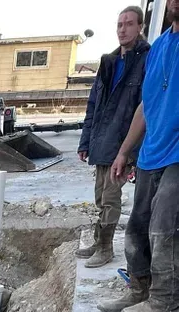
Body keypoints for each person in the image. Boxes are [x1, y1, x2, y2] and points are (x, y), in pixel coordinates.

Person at [98, 0, 179, 312]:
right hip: (151, 153)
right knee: (137, 226)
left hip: (176, 155)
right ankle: (139, 287)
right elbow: (146, 105)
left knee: (164, 227)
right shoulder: (160, 46)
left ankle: (165, 296)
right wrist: (124, 152)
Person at [77, 6, 150, 268]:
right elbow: (94, 104)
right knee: (100, 195)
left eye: (129, 24)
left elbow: (145, 108)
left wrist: (131, 151)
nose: (123, 29)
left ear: (139, 27)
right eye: (119, 24)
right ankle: (99, 241)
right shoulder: (109, 62)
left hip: (124, 141)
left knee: (110, 196)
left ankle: (106, 248)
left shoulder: (146, 60)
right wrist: (86, 141)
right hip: (102, 141)